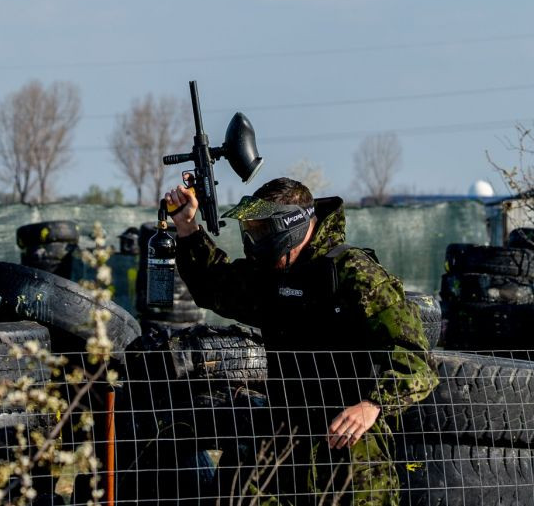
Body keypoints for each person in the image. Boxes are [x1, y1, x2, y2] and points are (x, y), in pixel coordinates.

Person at [164, 177, 437, 506]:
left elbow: (415, 359)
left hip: (348, 448)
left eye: (262, 230)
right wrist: (187, 228)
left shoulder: (354, 273)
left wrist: (373, 405)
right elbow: (216, 286)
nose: (255, 238)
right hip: (284, 441)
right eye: (252, 229)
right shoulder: (274, 275)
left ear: (288, 226)